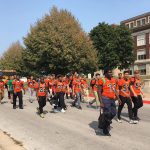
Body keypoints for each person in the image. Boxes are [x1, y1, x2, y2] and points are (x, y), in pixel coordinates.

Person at [97, 69, 120, 136]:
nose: (111, 73)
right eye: (109, 72)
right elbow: (99, 91)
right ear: (105, 74)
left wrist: (118, 97)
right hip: (105, 98)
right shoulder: (102, 80)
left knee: (114, 113)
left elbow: (114, 89)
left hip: (112, 99)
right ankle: (105, 129)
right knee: (107, 113)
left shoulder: (113, 80)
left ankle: (106, 123)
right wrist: (101, 102)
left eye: (111, 72)